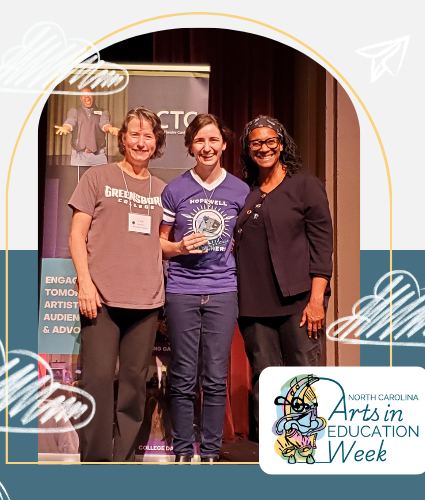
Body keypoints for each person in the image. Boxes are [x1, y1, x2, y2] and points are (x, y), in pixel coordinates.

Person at [68, 107, 167, 462]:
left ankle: (123, 463)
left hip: (146, 302)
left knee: (133, 388)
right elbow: (77, 235)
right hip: (101, 299)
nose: (141, 142)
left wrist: (186, 246)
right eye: (135, 134)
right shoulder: (98, 176)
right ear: (123, 138)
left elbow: (163, 242)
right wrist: (85, 284)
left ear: (157, 143)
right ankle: (95, 464)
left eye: (149, 135)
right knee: (95, 383)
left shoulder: (162, 190)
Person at [234, 115, 333, 438]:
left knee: (302, 378)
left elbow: (322, 246)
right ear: (248, 150)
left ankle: (304, 450)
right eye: (256, 143)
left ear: (282, 143)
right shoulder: (245, 193)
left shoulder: (305, 185)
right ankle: (270, 452)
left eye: (270, 141)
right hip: (254, 305)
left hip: (300, 302)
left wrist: (317, 299)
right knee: (265, 378)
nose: (264, 148)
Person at [159, 114, 249, 462]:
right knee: (182, 375)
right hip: (182, 289)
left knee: (214, 376)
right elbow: (159, 244)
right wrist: (179, 248)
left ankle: (210, 452)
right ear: (190, 146)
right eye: (199, 141)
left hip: (223, 290)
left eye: (213, 140)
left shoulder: (240, 191)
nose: (207, 147)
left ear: (224, 145)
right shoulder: (175, 189)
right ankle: (183, 451)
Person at [55, 87, 119, 166]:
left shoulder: (103, 112)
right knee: (79, 178)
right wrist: (65, 127)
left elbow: (104, 123)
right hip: (79, 156)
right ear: (81, 98)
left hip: (98, 156)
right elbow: (71, 121)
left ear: (93, 96)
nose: (87, 97)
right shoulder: (74, 110)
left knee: (101, 178)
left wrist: (110, 128)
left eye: (89, 95)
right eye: (84, 95)